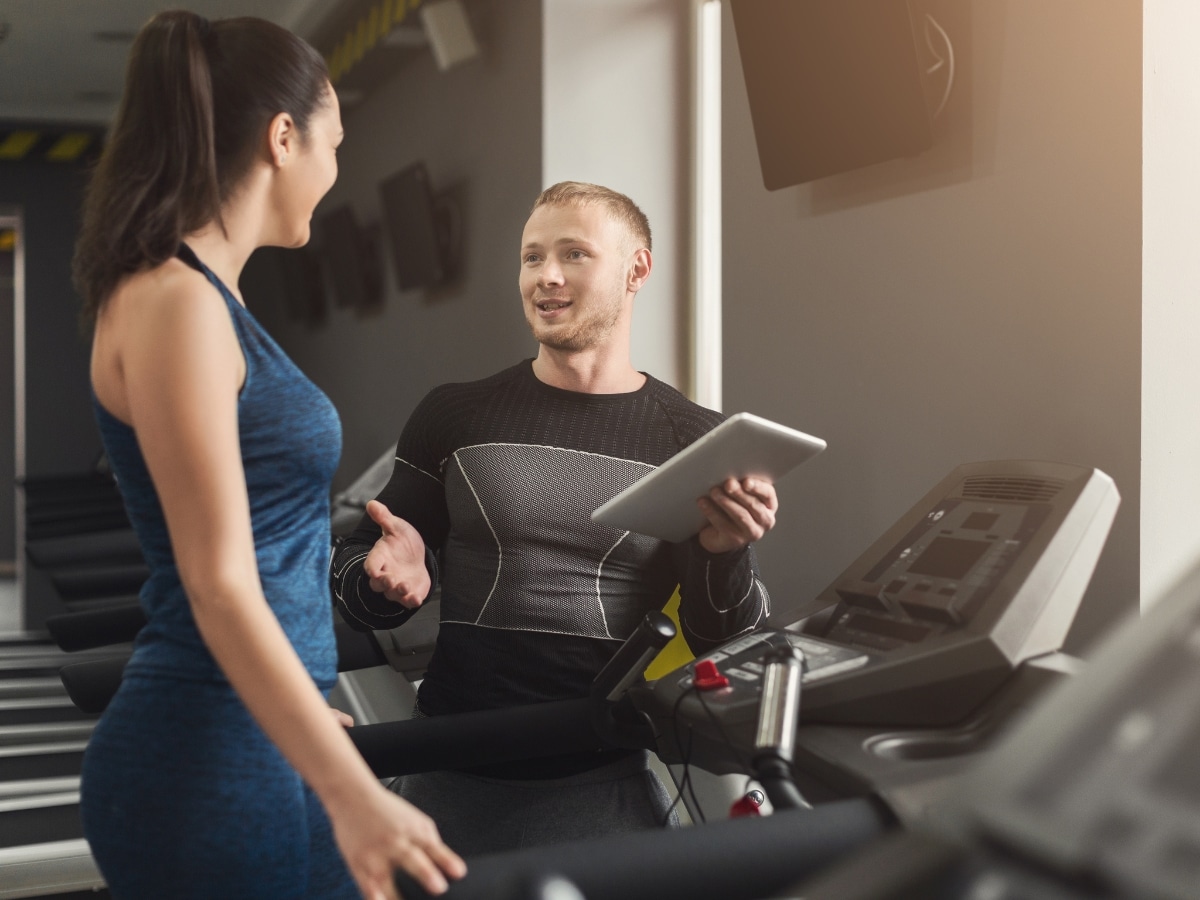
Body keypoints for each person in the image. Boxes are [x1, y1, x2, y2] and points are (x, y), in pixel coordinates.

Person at [74, 12, 465, 899]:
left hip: (252, 731)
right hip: (208, 754)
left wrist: (300, 716)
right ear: (282, 138)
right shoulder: (176, 300)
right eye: (334, 143)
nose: (336, 171)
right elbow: (216, 581)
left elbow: (258, 550)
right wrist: (348, 785)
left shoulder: (203, 297)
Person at [332, 181, 778, 855]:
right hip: (451, 770)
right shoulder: (455, 413)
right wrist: (381, 579)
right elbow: (363, 583)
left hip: (604, 777)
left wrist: (725, 552)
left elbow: (723, 635)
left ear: (637, 268)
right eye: (531, 256)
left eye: (574, 254)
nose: (546, 276)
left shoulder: (694, 440)